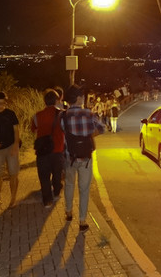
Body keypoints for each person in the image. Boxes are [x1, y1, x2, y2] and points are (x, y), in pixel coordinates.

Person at [61, 84, 105, 232]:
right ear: (79, 98)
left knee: (69, 184)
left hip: (69, 157)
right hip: (86, 157)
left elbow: (62, 133)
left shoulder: (63, 115)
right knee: (84, 189)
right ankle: (82, 220)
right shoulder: (89, 114)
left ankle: (68, 211)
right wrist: (87, 136)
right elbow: (102, 128)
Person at [31, 89, 65, 208]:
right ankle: (56, 192)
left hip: (43, 151)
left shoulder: (37, 115)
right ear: (57, 100)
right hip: (58, 150)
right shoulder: (62, 114)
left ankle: (47, 200)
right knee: (57, 174)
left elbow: (34, 129)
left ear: (44, 101)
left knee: (44, 176)